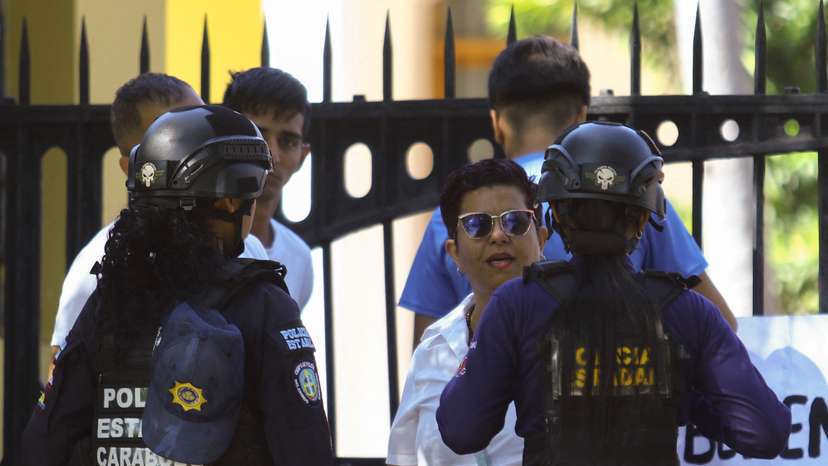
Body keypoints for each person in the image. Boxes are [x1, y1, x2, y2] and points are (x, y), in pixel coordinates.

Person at [436, 122, 790, 465]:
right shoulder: (687, 311)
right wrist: (682, 391)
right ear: (642, 220)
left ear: (556, 212)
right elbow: (765, 432)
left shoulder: (517, 305)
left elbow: (461, 430)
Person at [20, 105, 334, 466]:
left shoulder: (110, 300)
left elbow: (43, 443)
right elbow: (305, 448)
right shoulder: (264, 306)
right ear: (230, 200)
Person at [401, 36, 737, 346]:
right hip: (618, 398)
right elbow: (720, 327)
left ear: (496, 122)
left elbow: (430, 350)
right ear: (581, 116)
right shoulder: (630, 195)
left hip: (492, 405)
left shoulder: (454, 217)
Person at [49, 73, 268, 355]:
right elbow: (65, 381)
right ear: (133, 168)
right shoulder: (98, 268)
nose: (200, 144)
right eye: (174, 139)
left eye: (200, 125)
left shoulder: (249, 247)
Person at [388, 159, 544, 466]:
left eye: (515, 221)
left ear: (541, 239)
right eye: (477, 225)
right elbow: (403, 457)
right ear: (454, 252)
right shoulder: (434, 348)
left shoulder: (579, 326)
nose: (498, 235)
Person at [223, 67, 314, 310]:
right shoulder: (199, 243)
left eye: (288, 141)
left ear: (302, 156)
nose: (271, 154)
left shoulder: (300, 257)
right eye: (257, 136)